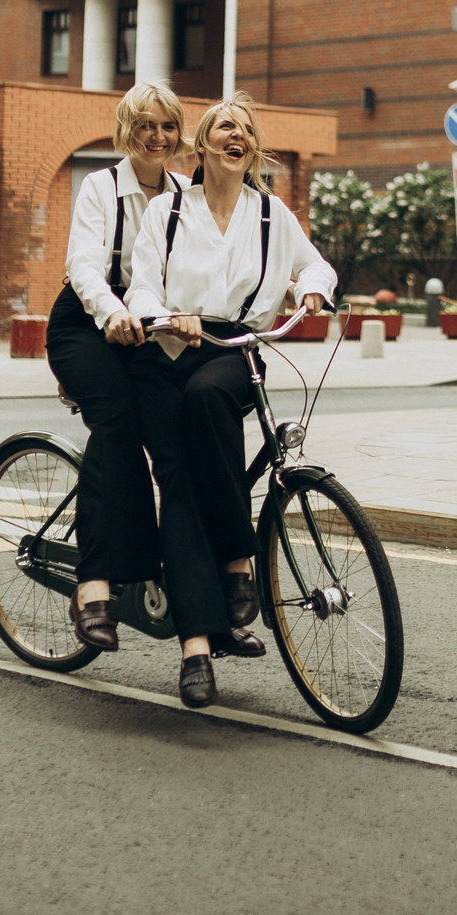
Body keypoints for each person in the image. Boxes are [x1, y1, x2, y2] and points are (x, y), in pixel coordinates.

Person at [125, 93, 335, 708]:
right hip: (163, 355)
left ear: (253, 148)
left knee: (210, 400)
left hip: (232, 351)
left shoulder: (272, 215)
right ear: (203, 146)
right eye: (222, 126)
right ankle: (195, 648)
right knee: (180, 486)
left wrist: (313, 291)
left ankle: (239, 562)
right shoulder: (166, 212)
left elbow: (315, 266)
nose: (234, 134)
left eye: (244, 128)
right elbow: (140, 292)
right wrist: (168, 316)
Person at [60, 84, 187, 657]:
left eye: (167, 126)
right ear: (126, 131)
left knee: (175, 434)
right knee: (116, 424)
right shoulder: (101, 187)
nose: (157, 137)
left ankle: (184, 585)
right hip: (87, 324)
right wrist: (111, 312)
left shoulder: (187, 192)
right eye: (145, 126)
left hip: (150, 324)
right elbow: (83, 265)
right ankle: (94, 587)